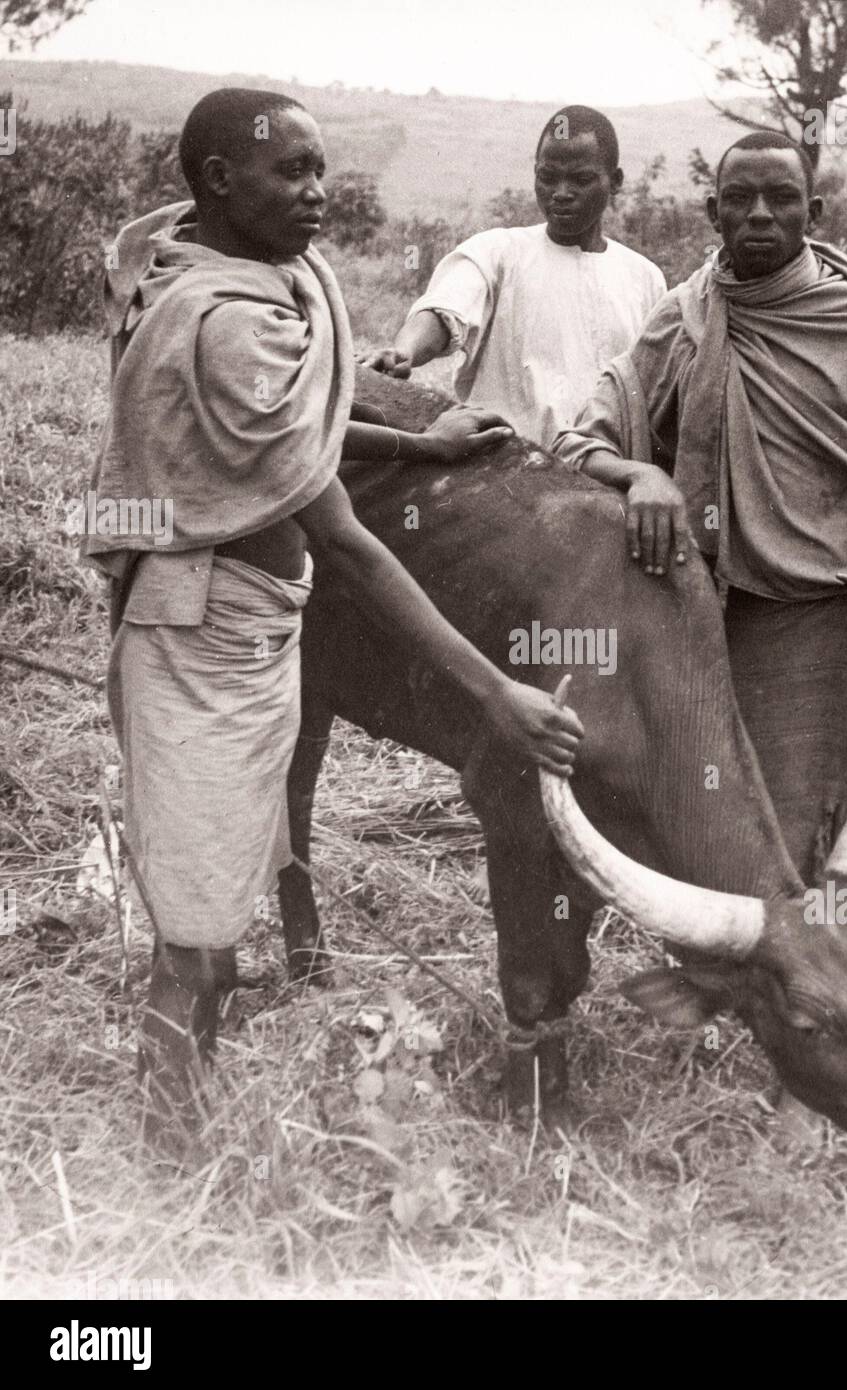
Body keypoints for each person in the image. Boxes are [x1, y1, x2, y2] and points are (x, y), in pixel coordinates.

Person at [83, 88, 582, 1153]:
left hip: (258, 617)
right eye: (290, 173)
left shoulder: (257, 278)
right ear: (219, 182)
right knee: (201, 927)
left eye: (321, 169)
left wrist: (421, 446)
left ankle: (187, 1108)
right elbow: (346, 534)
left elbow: (315, 431)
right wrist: (494, 691)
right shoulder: (223, 325)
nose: (318, 194)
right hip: (197, 630)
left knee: (218, 882)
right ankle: (173, 1146)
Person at [554, 130, 847, 883]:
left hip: (821, 624)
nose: (760, 214)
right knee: (707, 835)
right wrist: (641, 477)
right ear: (712, 212)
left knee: (797, 844)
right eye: (740, 199)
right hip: (696, 616)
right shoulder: (684, 317)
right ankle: (722, 988)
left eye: (781, 198)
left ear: (813, 212)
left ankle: (812, 990)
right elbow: (575, 442)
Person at [367, 105, 666, 447]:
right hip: (508, 471)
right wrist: (402, 352)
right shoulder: (496, 252)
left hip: (609, 476)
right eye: (548, 177)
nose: (561, 192)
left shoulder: (645, 278)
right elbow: (444, 312)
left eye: (581, 179)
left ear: (615, 182)